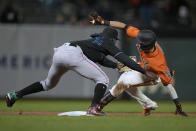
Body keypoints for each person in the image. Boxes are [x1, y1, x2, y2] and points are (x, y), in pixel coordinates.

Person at [5, 27, 157, 116]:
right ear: (112, 38)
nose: (114, 43)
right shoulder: (107, 41)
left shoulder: (96, 41)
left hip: (60, 52)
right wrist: (142, 70)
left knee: (47, 84)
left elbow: (100, 59)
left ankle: (15, 95)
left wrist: (114, 66)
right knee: (103, 80)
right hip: (73, 54)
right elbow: (125, 59)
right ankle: (94, 108)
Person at [89, 12, 188, 116]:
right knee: (124, 81)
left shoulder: (159, 63)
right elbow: (124, 26)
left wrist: (178, 107)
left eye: (140, 42)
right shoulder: (145, 38)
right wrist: (104, 21)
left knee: (123, 82)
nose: (138, 42)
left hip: (153, 75)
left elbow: (169, 85)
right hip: (141, 67)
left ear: (147, 46)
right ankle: (149, 104)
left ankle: (99, 106)